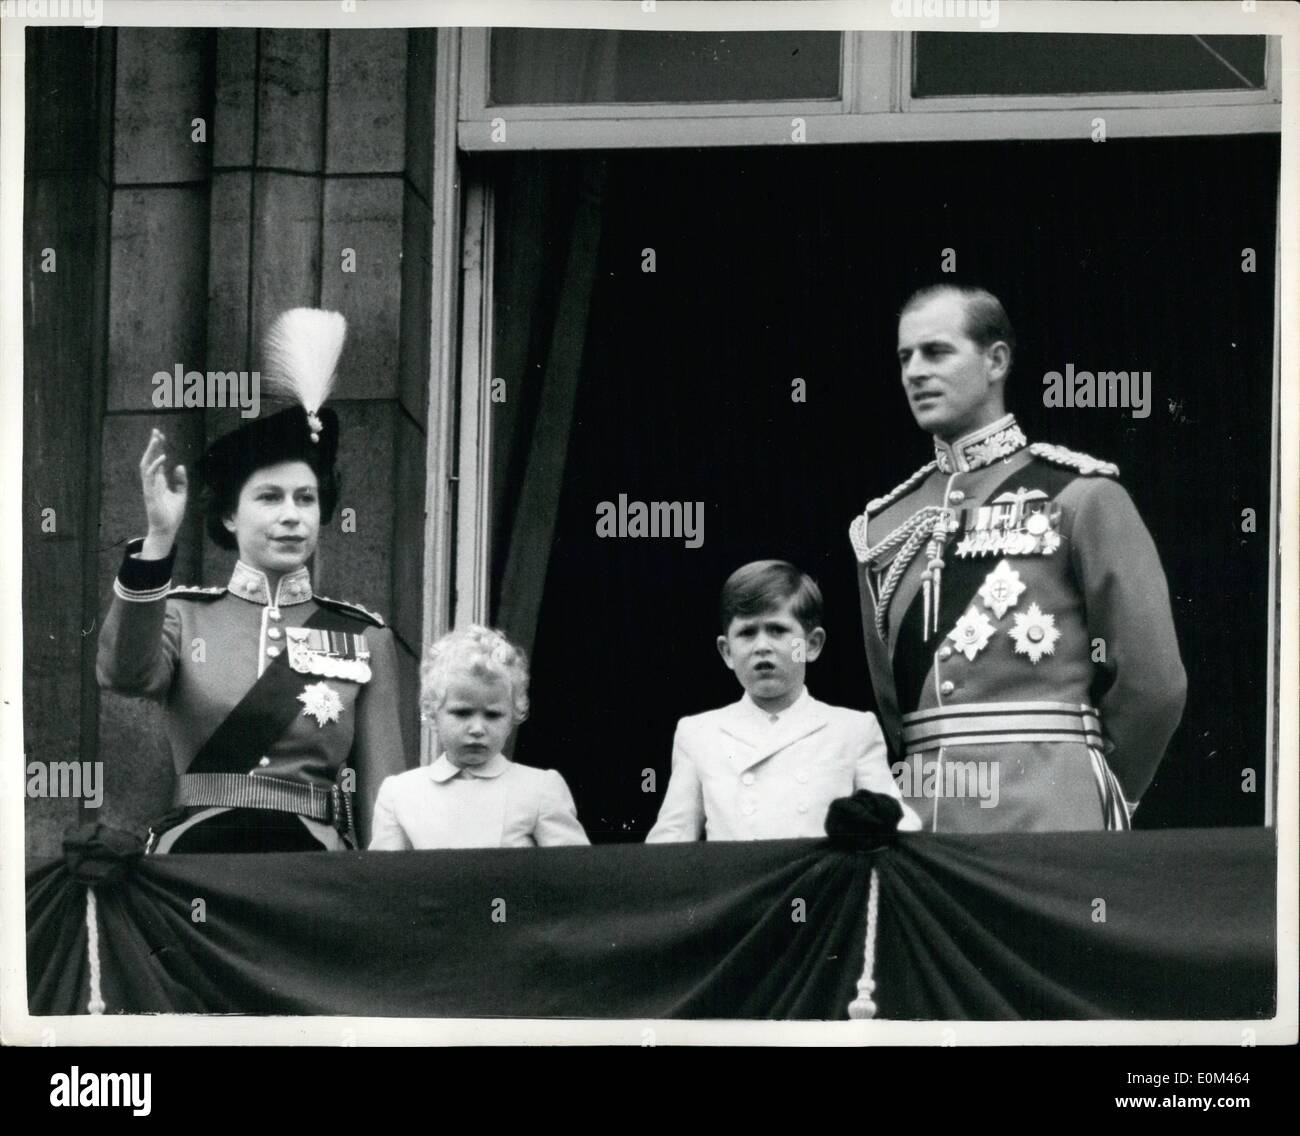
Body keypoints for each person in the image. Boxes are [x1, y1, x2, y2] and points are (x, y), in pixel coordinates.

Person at [849, 284, 1186, 833]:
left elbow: (1155, 685)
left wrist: (1094, 794)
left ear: (996, 360)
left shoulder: (1080, 496)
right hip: (926, 826)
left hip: (1050, 816)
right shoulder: (882, 527)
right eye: (905, 357)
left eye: (936, 352)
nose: (914, 372)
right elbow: (895, 711)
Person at [96, 309, 406, 852]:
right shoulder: (183, 614)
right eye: (269, 498)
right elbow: (122, 674)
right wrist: (158, 542)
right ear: (230, 517)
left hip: (313, 872)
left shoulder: (364, 636)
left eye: (305, 499)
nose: (292, 515)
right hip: (198, 858)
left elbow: (385, 802)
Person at [645, 560, 920, 842]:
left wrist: (870, 824)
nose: (762, 646)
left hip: (820, 884)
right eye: (747, 633)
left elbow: (896, 822)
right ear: (726, 651)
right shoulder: (698, 733)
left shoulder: (853, 729)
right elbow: (673, 837)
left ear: (811, 645)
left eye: (777, 630)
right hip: (739, 885)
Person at [369, 625, 589, 849]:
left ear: (513, 715)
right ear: (432, 712)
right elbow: (384, 878)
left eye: (493, 715)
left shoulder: (539, 789)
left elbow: (571, 872)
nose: (477, 728)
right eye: (462, 712)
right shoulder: (401, 793)